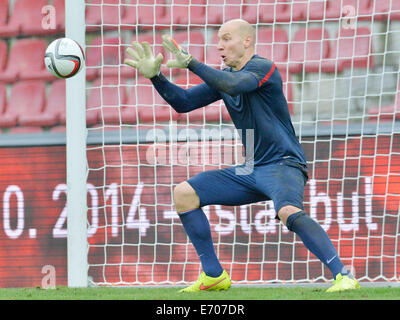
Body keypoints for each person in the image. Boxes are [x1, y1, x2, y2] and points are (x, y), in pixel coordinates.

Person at [124, 19, 361, 293]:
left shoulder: (262, 68)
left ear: (247, 41)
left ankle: (343, 276)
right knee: (184, 193)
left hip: (283, 164)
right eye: (218, 40)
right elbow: (184, 102)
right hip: (253, 169)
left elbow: (235, 84)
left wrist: (191, 62)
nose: (219, 45)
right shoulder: (225, 77)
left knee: (287, 211)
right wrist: (156, 77)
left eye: (226, 39)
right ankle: (213, 275)